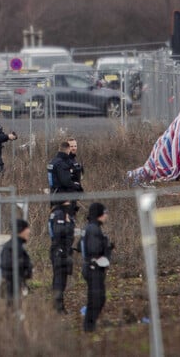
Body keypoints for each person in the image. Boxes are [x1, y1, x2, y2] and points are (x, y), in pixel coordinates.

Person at [81, 202, 112, 332]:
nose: (106, 216)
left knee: (98, 298)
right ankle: (89, 327)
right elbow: (94, 249)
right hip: (93, 268)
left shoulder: (93, 227)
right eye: (105, 213)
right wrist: (105, 247)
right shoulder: (93, 228)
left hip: (93, 268)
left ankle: (90, 326)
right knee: (96, 299)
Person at [48, 199, 77, 313]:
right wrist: (69, 224)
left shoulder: (65, 213)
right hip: (59, 250)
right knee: (59, 280)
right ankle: (57, 307)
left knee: (62, 279)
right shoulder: (59, 213)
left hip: (65, 249)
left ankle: (59, 305)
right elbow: (58, 232)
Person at [0, 218, 33, 305]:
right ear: (21, 231)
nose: (29, 231)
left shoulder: (18, 245)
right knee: (13, 310)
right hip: (12, 286)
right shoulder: (12, 246)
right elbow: (7, 265)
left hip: (17, 284)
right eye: (27, 228)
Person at [47, 139, 83, 204]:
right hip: (62, 197)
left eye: (75, 146)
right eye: (71, 146)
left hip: (54, 194)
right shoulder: (62, 163)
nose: (73, 148)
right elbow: (66, 181)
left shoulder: (53, 161)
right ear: (68, 149)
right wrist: (76, 186)